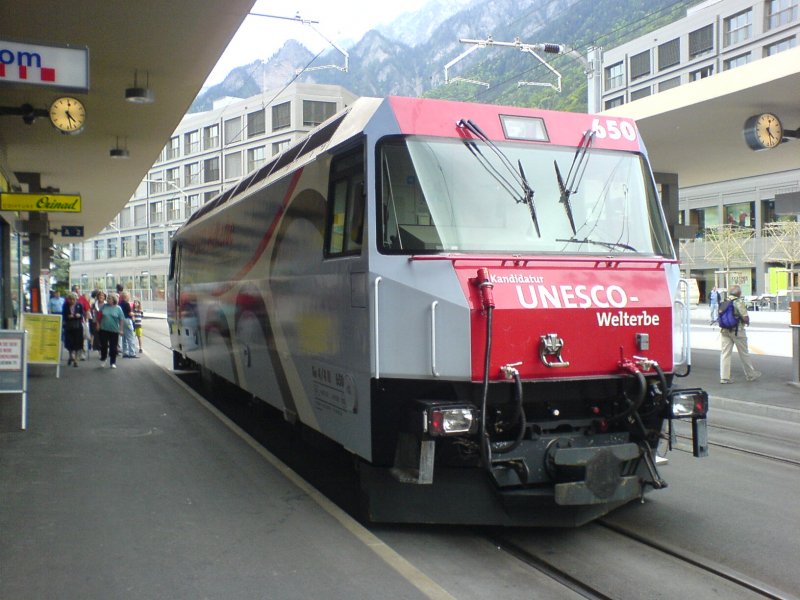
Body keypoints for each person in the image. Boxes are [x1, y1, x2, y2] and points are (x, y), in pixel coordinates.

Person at [719, 284, 761, 384]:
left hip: (725, 330)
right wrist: (747, 322)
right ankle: (750, 374)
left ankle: (724, 377)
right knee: (744, 353)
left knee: (725, 354)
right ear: (739, 293)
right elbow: (745, 316)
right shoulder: (738, 301)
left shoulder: (724, 301)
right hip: (737, 331)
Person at [96, 292, 125, 369]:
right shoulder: (104, 306)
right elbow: (99, 316)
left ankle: (113, 362)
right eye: (108, 298)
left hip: (114, 330)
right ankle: (103, 359)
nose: (108, 300)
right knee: (103, 345)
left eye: (110, 299)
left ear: (114, 300)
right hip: (103, 329)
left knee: (113, 347)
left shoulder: (118, 308)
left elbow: (121, 319)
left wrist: (121, 330)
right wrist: (98, 324)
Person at [61, 292, 85, 367]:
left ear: (76, 299)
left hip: (77, 326)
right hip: (69, 326)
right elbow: (63, 315)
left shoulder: (79, 305)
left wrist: (79, 315)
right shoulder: (65, 305)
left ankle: (76, 360)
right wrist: (68, 316)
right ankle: (71, 356)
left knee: (77, 343)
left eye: (73, 299)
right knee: (69, 343)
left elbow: (82, 314)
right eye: (70, 299)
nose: (72, 301)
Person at [72, 285, 91, 360]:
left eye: (78, 289)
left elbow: (87, 309)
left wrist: (87, 320)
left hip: (82, 321)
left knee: (84, 337)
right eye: (75, 289)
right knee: (74, 338)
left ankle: (83, 353)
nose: (77, 291)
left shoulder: (82, 298)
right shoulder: (68, 299)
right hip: (72, 322)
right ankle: (74, 353)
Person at [119, 291, 138, 358]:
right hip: (127, 320)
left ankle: (125, 352)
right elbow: (129, 313)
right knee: (130, 337)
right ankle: (132, 353)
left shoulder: (119, 304)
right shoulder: (127, 304)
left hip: (121, 321)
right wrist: (134, 314)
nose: (129, 297)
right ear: (126, 297)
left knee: (124, 338)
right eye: (129, 296)